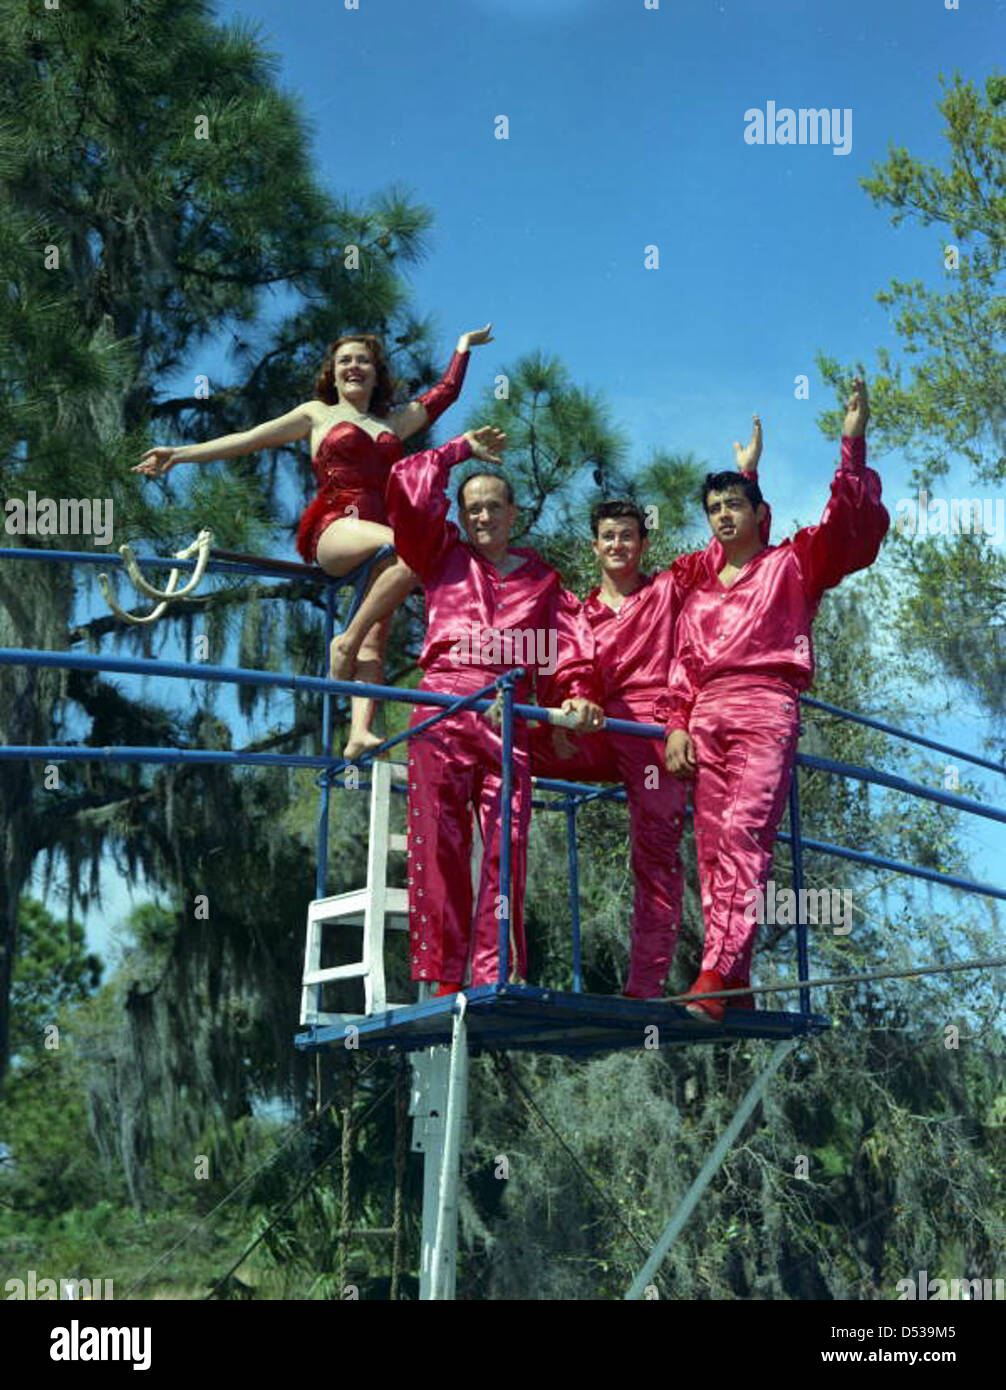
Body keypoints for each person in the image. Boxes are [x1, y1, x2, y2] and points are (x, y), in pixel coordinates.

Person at [134, 326, 492, 758]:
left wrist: (462, 347)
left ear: (377, 374)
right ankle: (344, 643)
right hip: (337, 528)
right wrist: (179, 453)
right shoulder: (315, 415)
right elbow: (248, 440)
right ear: (333, 374)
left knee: (376, 641)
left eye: (363, 360)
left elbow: (446, 392)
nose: (354, 367)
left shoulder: (393, 422)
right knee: (413, 547)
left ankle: (358, 732)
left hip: (385, 542)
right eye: (345, 361)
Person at [662, 378, 888, 1022]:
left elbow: (847, 525)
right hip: (706, 715)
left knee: (745, 834)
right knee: (709, 847)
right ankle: (731, 975)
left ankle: (717, 975)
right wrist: (676, 726)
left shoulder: (792, 564)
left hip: (766, 707)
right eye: (715, 508)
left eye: (736, 503)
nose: (724, 514)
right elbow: (682, 665)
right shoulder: (699, 589)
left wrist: (852, 441)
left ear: (760, 514)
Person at [530, 419, 764, 999]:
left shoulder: (668, 588)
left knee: (657, 852)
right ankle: (495, 960)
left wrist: (747, 476)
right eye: (608, 536)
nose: (619, 546)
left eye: (629, 536)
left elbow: (728, 542)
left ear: (643, 543)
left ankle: (644, 986)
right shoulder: (577, 610)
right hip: (592, 727)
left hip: (650, 731)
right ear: (595, 545)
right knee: (501, 745)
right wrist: (562, 710)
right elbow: (566, 668)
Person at [385, 426, 605, 995]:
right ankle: (444, 976)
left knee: (508, 840)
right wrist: (457, 450)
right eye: (472, 508)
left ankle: (497, 969)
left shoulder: (543, 580)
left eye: (492, 507)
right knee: (439, 840)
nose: (482, 517)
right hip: (441, 701)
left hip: (508, 711)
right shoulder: (439, 554)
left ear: (514, 513)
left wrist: (578, 690)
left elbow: (573, 645)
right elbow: (407, 486)